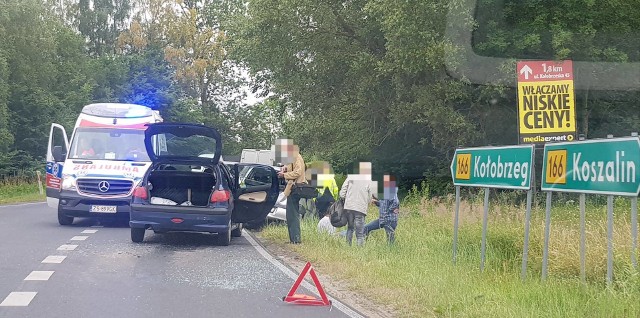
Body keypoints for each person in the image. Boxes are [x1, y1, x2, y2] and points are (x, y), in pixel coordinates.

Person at [276, 139, 306, 244]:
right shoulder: (292, 158)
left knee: (293, 214)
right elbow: (291, 167)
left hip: (295, 188)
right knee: (290, 215)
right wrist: (284, 168)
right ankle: (293, 239)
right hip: (291, 188)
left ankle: (296, 239)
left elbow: (298, 172)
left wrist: (284, 175)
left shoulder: (297, 157)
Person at [339, 162, 376, 246]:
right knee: (360, 233)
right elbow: (370, 197)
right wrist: (366, 202)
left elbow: (342, 194)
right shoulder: (369, 180)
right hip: (360, 209)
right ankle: (359, 250)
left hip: (349, 208)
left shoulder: (350, 177)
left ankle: (348, 246)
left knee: (350, 228)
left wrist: (346, 199)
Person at [365, 175, 400, 244]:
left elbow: (396, 202)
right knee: (366, 228)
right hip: (383, 219)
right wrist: (376, 202)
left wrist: (389, 210)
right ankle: (362, 245)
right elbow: (384, 204)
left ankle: (392, 252)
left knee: (390, 241)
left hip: (389, 220)